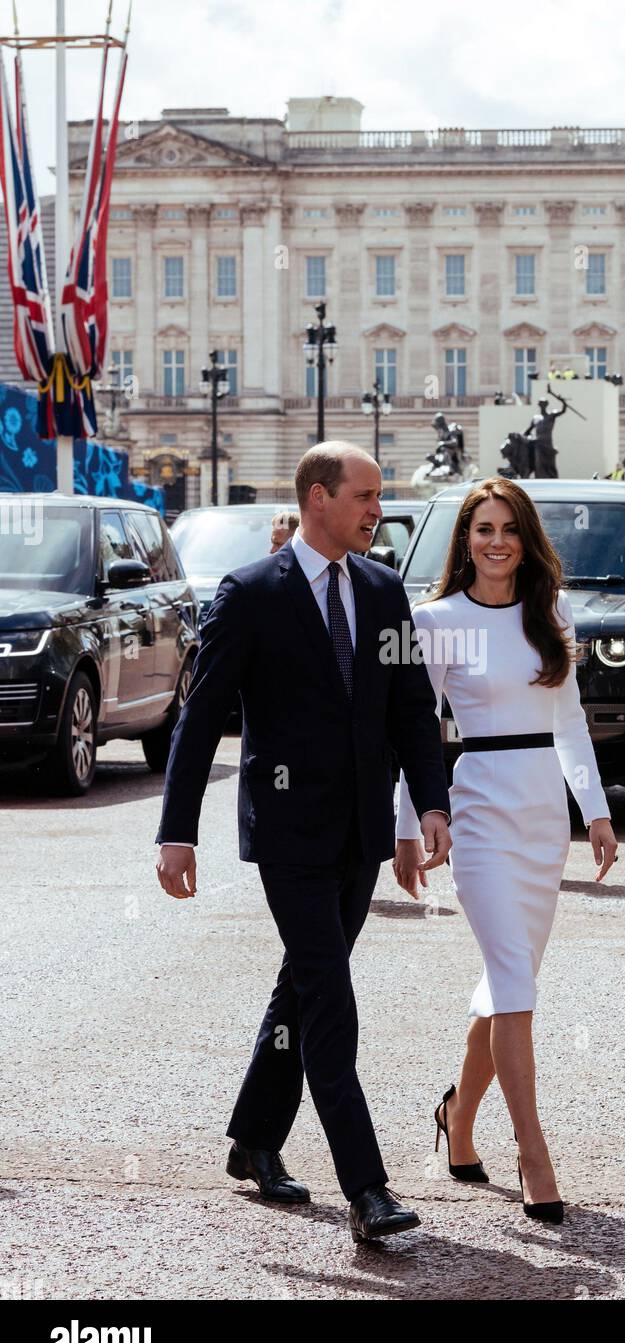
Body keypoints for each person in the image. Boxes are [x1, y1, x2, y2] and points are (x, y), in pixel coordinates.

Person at [154, 442, 452, 1245]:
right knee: (328, 999)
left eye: (379, 496)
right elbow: (198, 718)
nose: (375, 511)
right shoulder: (249, 594)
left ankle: (254, 1139)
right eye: (364, 495)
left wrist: (429, 806)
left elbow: (410, 711)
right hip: (287, 834)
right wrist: (176, 832)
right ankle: (369, 1189)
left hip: (359, 831)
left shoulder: (386, 591)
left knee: (303, 986)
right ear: (317, 497)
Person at [393, 476, 618, 1224]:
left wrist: (594, 812)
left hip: (540, 814)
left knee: (505, 984)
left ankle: (457, 1118)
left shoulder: (547, 611)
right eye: (481, 529)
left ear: (526, 540)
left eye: (508, 529)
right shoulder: (435, 620)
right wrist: (408, 824)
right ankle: (533, 1154)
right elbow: (414, 729)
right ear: (464, 541)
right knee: (516, 988)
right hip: (479, 807)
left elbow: (570, 722)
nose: (495, 541)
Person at [524, 397, 566, 478]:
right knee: (539, 465)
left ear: (546, 405)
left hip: (548, 445)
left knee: (550, 467)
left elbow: (563, 410)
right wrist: (529, 437)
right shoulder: (536, 418)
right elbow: (528, 431)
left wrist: (562, 401)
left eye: (544, 403)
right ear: (539, 405)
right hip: (539, 446)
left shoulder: (551, 415)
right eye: (541, 403)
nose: (542, 405)